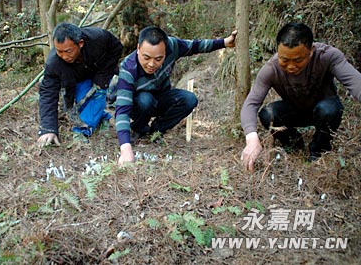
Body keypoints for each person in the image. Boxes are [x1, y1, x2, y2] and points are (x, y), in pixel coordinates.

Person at [240, 22, 361, 172]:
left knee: (328, 110)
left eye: (298, 60)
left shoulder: (327, 56)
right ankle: (293, 143)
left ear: (311, 51)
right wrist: (251, 139)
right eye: (284, 60)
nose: (291, 66)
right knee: (268, 114)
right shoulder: (271, 69)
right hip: (295, 111)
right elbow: (251, 103)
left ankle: (319, 149)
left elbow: (356, 83)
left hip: (324, 109)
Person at [115, 26, 237, 165]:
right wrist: (125, 148)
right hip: (139, 105)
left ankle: (156, 130)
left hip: (162, 97)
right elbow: (122, 110)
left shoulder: (172, 45)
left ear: (165, 50)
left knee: (189, 99)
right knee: (145, 100)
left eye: (158, 59)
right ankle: (139, 128)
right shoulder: (128, 68)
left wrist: (225, 42)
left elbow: (196, 46)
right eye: (146, 58)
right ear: (138, 48)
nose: (151, 64)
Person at [37, 22, 123, 147]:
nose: (64, 56)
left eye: (68, 51)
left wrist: (103, 77)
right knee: (81, 101)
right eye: (59, 52)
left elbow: (117, 48)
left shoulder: (98, 38)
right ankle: (102, 118)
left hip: (99, 71)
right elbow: (48, 93)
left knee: (98, 94)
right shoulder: (54, 63)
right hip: (75, 80)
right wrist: (48, 129)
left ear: (80, 43)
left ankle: (82, 131)